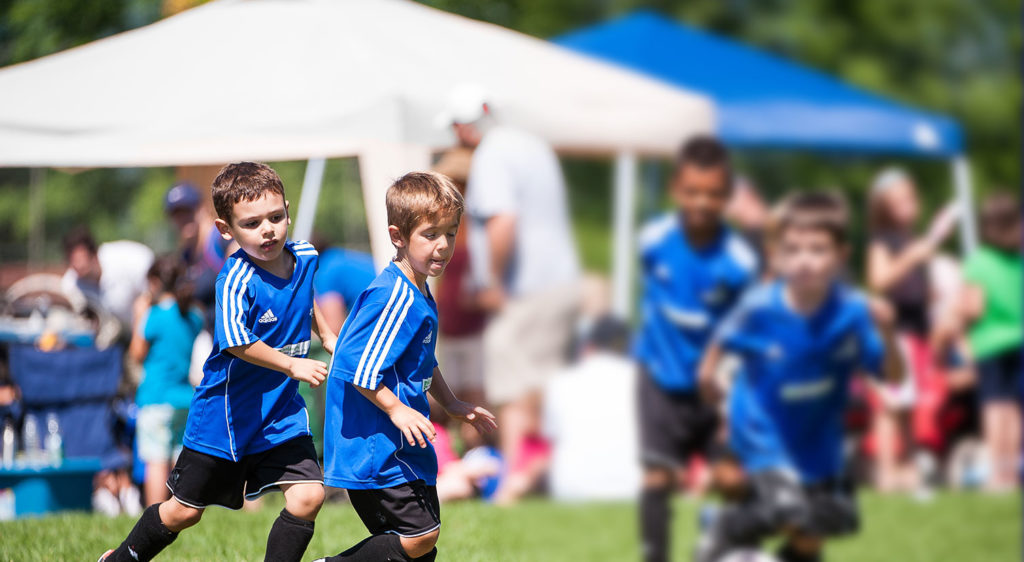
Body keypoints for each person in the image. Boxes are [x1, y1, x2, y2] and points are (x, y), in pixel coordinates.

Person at [100, 162, 338, 562]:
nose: (268, 230)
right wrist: (292, 365)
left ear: (288, 212)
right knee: (184, 512)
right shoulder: (235, 279)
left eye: (275, 217)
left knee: (309, 496)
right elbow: (237, 342)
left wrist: (327, 334)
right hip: (224, 419)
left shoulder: (305, 256)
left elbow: (303, 297)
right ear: (226, 230)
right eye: (252, 223)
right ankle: (120, 558)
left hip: (280, 414)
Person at [697, 192, 901, 562]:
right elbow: (721, 338)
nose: (804, 260)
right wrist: (707, 377)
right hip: (762, 433)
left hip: (817, 441)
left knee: (825, 528)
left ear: (842, 255)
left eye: (817, 250)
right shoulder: (759, 307)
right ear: (775, 256)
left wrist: (887, 332)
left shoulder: (854, 311)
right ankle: (726, 527)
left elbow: (891, 375)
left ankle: (729, 530)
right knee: (786, 511)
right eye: (792, 250)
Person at [315, 172, 496, 562]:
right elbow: (356, 368)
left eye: (450, 233)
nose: (443, 245)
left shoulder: (419, 292)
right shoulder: (395, 296)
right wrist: (397, 409)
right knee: (420, 536)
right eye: (430, 235)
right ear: (398, 236)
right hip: (377, 448)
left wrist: (451, 403)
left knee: (418, 547)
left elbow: (423, 360)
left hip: (402, 447)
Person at [441, 84, 581, 491]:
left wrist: (491, 282)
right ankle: (543, 479)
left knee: (513, 390)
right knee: (542, 387)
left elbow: (502, 219)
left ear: (465, 125)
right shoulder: (531, 146)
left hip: (524, 289)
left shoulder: (493, 154)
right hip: (555, 282)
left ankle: (514, 484)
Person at [633, 136, 759, 562]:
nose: (702, 202)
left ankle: (727, 543)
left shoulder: (739, 260)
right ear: (676, 189)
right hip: (659, 377)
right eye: (692, 191)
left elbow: (746, 328)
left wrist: (731, 390)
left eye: (714, 193)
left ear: (728, 195)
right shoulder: (653, 240)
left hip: (714, 386)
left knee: (732, 478)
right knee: (658, 476)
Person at [865, 167, 959, 494]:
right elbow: (878, 281)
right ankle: (886, 470)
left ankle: (906, 466)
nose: (908, 204)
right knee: (890, 403)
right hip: (895, 332)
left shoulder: (910, 239)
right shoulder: (883, 241)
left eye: (911, 197)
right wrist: (910, 257)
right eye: (899, 200)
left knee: (908, 404)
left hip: (918, 331)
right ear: (883, 207)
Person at [129, 256, 204, 507]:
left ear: (154, 282)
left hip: (156, 397)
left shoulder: (154, 315)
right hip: (184, 397)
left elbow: (136, 353)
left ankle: (154, 519)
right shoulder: (193, 315)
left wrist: (139, 316)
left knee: (156, 461)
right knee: (178, 461)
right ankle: (180, 512)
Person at [962, 192, 1022, 492]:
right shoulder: (1018, 263)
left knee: (994, 406)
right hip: (1019, 340)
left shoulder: (979, 262)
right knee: (1014, 408)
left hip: (989, 343)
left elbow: (974, 308)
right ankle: (1011, 472)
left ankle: (995, 474)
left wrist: (959, 319)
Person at [61, 226, 154, 335]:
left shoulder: (129, 259)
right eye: (72, 261)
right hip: (122, 333)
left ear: (94, 255)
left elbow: (152, 293)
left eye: (80, 259)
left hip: (148, 326)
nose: (77, 265)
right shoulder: (73, 282)